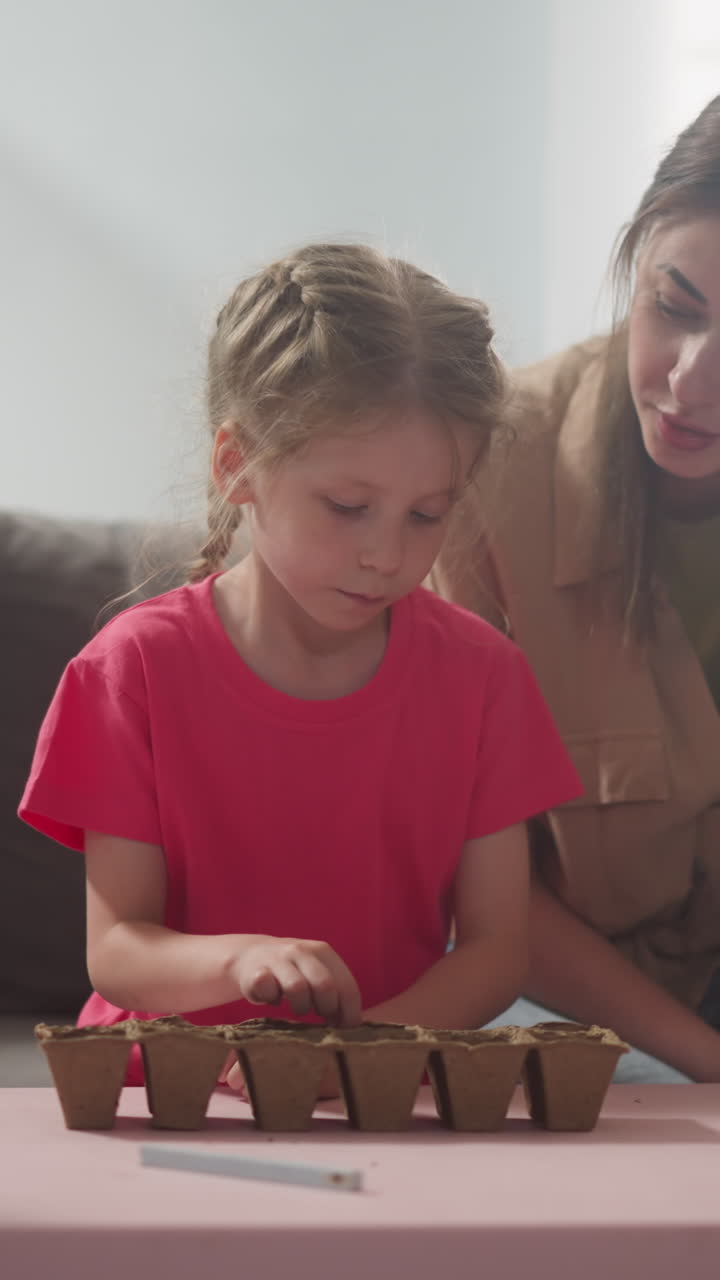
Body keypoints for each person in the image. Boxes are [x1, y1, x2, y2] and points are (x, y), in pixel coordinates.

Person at [19, 242, 581, 1090]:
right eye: (348, 508)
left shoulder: (484, 678)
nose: (388, 556)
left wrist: (356, 1059)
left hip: (384, 1098)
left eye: (428, 515)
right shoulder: (129, 670)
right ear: (236, 464)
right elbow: (118, 949)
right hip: (165, 1099)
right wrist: (243, 960)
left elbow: (499, 950)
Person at [432, 95, 720, 1084]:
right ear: (632, 272)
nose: (691, 381)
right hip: (559, 999)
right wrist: (704, 1058)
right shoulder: (488, 469)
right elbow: (478, 902)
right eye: (672, 308)